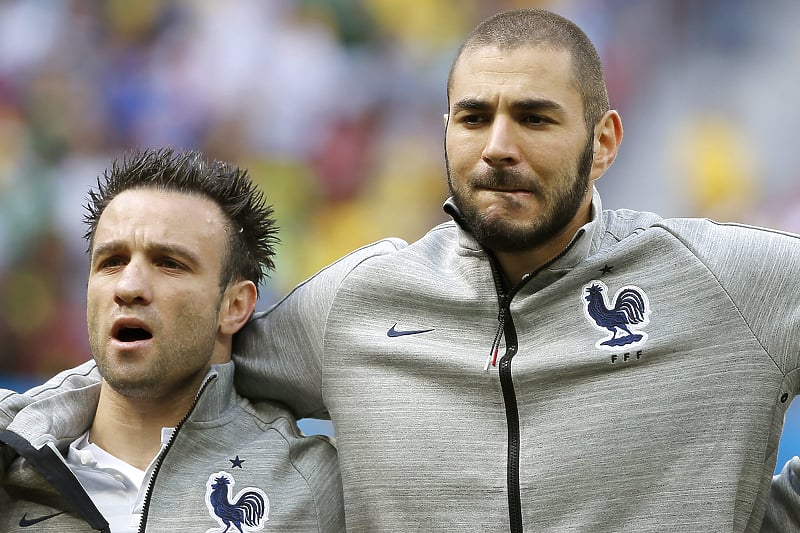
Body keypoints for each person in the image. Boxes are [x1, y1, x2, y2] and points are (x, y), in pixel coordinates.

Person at [2, 8, 799, 532]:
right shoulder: (360, 300)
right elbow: (178, 349)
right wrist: (31, 436)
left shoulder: (724, 278)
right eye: (473, 117)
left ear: (606, 141)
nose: (498, 146)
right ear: (443, 131)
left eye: (535, 117)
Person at [0, 148, 344, 532]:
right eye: (111, 261)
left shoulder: (313, 486)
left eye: (169, 263)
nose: (128, 286)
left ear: (234, 306)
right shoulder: (10, 472)